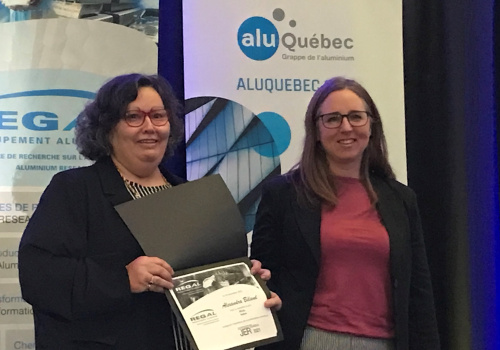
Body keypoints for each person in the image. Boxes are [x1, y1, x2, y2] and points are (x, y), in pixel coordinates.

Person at [18, 73, 281, 349]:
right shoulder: (75, 189)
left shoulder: (193, 197)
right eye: (133, 116)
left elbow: (208, 281)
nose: (149, 127)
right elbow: (38, 276)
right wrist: (123, 279)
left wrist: (247, 289)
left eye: (158, 116)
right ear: (107, 128)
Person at [250, 77, 440, 350]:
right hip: (311, 340)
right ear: (315, 129)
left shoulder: (401, 199)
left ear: (372, 125)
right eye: (333, 119)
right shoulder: (283, 195)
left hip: (385, 343)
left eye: (356, 117)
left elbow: (419, 294)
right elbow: (262, 276)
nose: (346, 127)